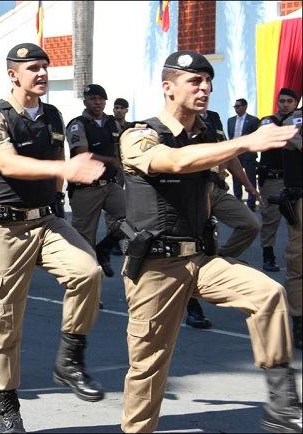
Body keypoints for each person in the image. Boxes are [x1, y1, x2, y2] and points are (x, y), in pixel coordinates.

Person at [117, 50, 300, 433]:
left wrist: (245, 186)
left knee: (268, 293)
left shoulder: (208, 133)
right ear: (168, 87)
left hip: (200, 261)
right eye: (195, 81)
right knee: (148, 366)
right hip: (156, 267)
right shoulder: (138, 135)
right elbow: (178, 162)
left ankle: (282, 405)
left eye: (208, 80)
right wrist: (248, 142)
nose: (205, 87)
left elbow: (216, 167)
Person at [0, 43, 106, 433]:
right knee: (4, 322)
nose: (43, 73)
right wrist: (66, 166)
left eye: (46, 66)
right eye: (34, 67)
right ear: (13, 74)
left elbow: (57, 168)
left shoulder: (53, 115)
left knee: (88, 272)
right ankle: (8, 406)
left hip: (47, 221)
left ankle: (69, 359)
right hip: (5, 229)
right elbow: (6, 162)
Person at [184, 106, 262, 329]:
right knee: (196, 245)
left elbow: (232, 158)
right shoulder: (181, 130)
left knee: (250, 224)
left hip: (217, 189)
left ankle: (219, 261)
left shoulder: (214, 123)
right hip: (196, 193)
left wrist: (249, 186)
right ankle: (192, 306)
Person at [66, 84, 126, 278]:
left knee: (136, 217)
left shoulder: (112, 123)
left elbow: (118, 150)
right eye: (93, 99)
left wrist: (120, 172)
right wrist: (112, 161)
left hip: (108, 185)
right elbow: (82, 154)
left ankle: (105, 248)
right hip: (86, 189)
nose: (98, 102)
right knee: (83, 241)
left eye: (101, 99)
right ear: (85, 101)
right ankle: (85, 284)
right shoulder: (78, 124)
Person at [259, 88, 298, 272]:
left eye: (289, 101)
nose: (285, 105)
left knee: (295, 220)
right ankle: (268, 256)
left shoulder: (298, 121)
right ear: (277, 103)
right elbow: (271, 135)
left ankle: (295, 258)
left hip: (294, 181)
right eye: (282, 101)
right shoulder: (269, 121)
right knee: (271, 219)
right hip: (273, 178)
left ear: (296, 103)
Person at [280, 106, 302, 349]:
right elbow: (288, 137)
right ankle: (299, 321)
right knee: (298, 263)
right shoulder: (295, 118)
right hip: (300, 198)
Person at [228, 98, 260, 210]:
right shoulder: (230, 120)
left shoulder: (253, 120)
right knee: (236, 178)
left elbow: (257, 137)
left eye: (238, 106)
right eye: (235, 106)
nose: (236, 108)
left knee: (250, 179)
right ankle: (238, 203)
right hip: (235, 154)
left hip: (248, 154)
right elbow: (230, 137)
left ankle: (251, 205)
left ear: (245, 106)